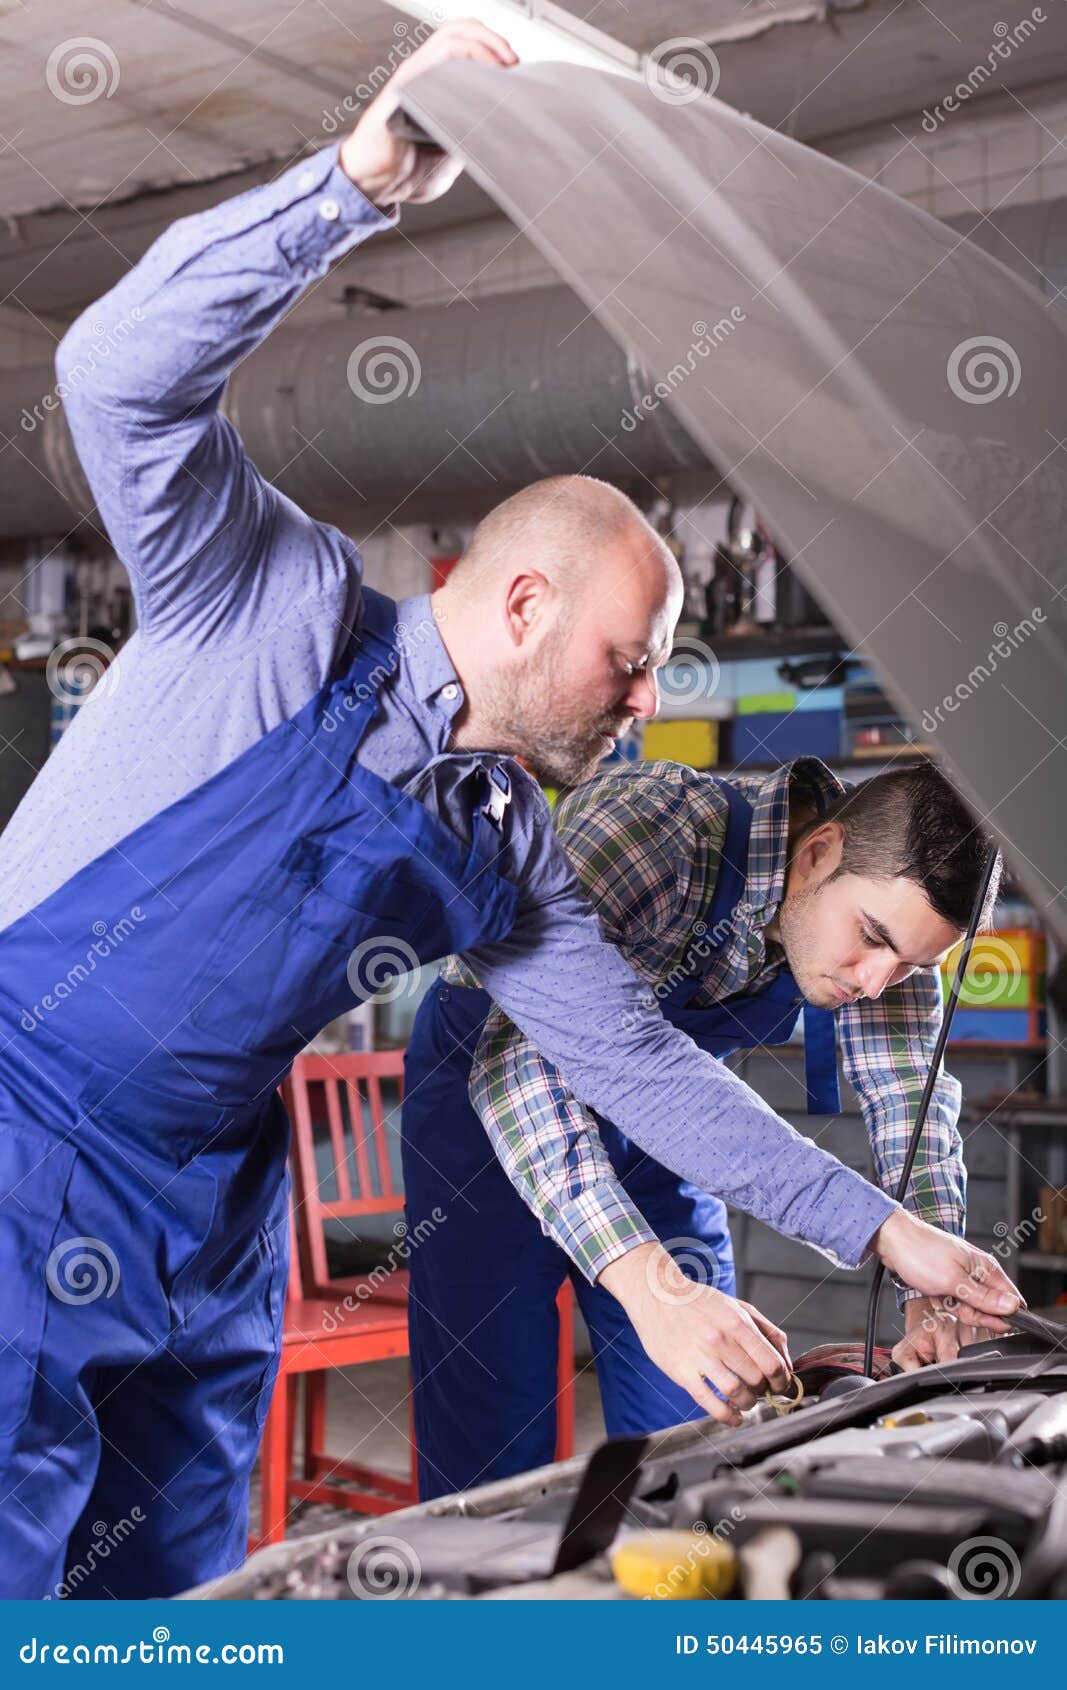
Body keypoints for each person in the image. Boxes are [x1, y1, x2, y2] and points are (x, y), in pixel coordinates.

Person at [0, 21, 1017, 1598]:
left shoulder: (502, 842)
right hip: (24, 1138)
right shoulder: (259, 604)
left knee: (173, 1597)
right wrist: (351, 188)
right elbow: (109, 378)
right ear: (523, 600)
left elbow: (638, 1066)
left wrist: (892, 1238)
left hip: (215, 1212)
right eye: (627, 665)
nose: (639, 705)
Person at [404, 756, 1008, 1499]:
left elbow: (907, 1094)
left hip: (670, 1132)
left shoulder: (888, 925)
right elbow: (526, 1065)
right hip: (488, 1103)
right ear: (818, 851)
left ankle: (671, 1605)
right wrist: (647, 1284)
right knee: (492, 1428)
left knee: (711, 1410)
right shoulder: (651, 833)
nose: (873, 982)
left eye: (912, 965)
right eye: (871, 938)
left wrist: (932, 1284)